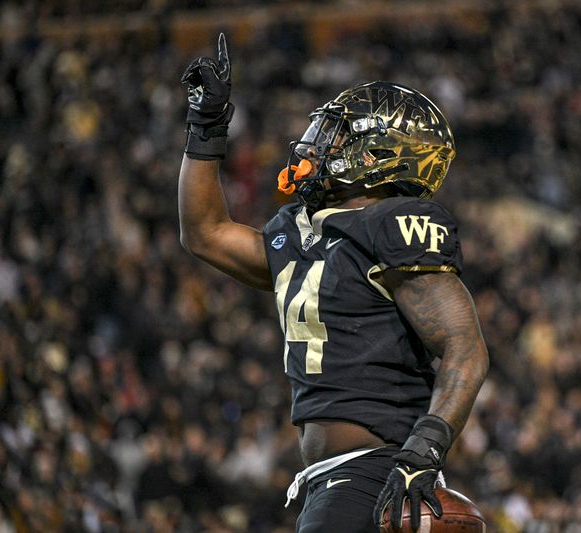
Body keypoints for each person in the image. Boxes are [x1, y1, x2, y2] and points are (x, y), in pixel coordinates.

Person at [177, 34, 489, 532]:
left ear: (380, 153)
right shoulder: (299, 231)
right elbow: (205, 233)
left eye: (339, 136)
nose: (320, 143)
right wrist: (205, 128)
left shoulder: (396, 223)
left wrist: (422, 452)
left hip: (379, 471)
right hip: (338, 479)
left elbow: (464, 347)